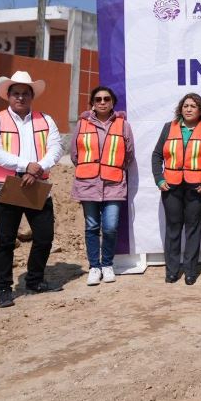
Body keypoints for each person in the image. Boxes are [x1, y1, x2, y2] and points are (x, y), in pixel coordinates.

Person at [0, 71, 64, 308]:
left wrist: (36, 169)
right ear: (8, 96)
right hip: (6, 188)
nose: (20, 97)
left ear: (31, 96)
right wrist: (25, 165)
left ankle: (35, 280)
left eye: (25, 93)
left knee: (45, 237)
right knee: (5, 240)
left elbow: (56, 148)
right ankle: (4, 288)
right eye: (15, 93)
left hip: (37, 185)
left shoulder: (45, 120)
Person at [151, 93, 201, 285]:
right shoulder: (169, 128)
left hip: (197, 187)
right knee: (173, 228)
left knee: (193, 228)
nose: (188, 109)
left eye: (193, 106)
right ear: (180, 109)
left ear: (200, 110)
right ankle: (172, 270)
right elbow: (157, 155)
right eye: (185, 106)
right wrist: (159, 179)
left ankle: (190, 271)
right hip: (171, 185)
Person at [70, 86, 135, 286]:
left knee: (110, 227)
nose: (102, 102)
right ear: (92, 103)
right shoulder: (81, 125)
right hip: (88, 183)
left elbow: (129, 154)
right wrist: (90, 169)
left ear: (113, 102)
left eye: (107, 98)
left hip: (113, 182)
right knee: (91, 227)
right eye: (98, 99)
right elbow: (74, 155)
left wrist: (112, 168)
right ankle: (94, 267)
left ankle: (107, 264)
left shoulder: (123, 125)